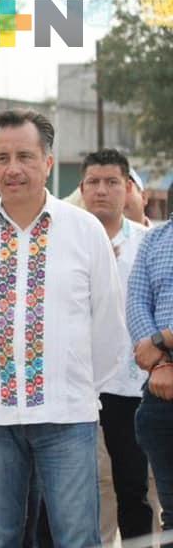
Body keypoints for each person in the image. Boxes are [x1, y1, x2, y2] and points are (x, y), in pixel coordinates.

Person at [0, 109, 125, 548]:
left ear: (47, 162)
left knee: (76, 537)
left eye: (25, 156)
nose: (13, 169)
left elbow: (108, 325)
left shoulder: (85, 231)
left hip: (67, 415)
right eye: (2, 158)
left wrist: (77, 386)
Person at [79, 148, 154, 542]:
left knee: (133, 488)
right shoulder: (66, 242)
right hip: (78, 385)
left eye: (111, 182)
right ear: (82, 189)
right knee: (78, 488)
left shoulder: (149, 243)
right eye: (93, 182)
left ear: (128, 189)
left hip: (131, 386)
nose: (101, 190)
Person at [127, 190, 173, 541]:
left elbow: (153, 339)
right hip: (161, 390)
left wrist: (163, 343)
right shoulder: (155, 240)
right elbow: (137, 303)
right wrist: (160, 365)